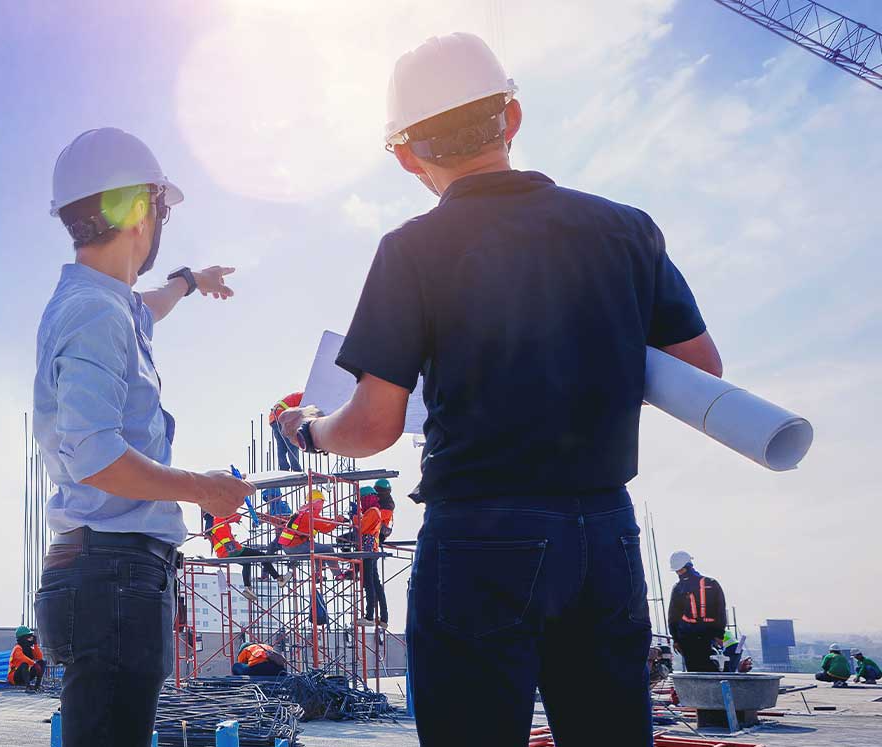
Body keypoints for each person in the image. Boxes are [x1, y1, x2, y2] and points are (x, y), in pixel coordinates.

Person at [274, 31, 722, 746]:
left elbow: (375, 424)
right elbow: (702, 371)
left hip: (481, 537)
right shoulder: (626, 230)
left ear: (404, 153)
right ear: (512, 118)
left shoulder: (414, 249)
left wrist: (310, 427)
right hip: (604, 532)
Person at [30, 127, 254, 747]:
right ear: (138, 212)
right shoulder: (99, 312)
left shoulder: (103, 302)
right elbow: (97, 456)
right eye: (158, 211)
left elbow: (146, 306)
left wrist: (188, 278)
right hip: (114, 578)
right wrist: (202, 491)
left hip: (106, 574)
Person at [667, 551, 728, 673]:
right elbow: (720, 611)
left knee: (696, 672)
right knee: (712, 670)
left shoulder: (678, 588)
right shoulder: (711, 583)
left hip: (689, 637)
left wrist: (676, 639)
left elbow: (673, 617)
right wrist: (719, 634)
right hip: (707, 636)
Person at [206, 514, 283, 595]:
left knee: (246, 563)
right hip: (232, 549)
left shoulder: (211, 526)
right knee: (262, 556)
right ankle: (279, 578)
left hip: (222, 553)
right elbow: (237, 516)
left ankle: (247, 587)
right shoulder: (219, 517)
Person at [356, 490, 387, 625]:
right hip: (371, 550)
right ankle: (384, 618)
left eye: (362, 499)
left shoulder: (373, 511)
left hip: (368, 551)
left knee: (369, 583)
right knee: (376, 584)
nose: (361, 502)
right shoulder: (373, 511)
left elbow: (361, 528)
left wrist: (354, 517)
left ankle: (369, 616)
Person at [267, 392, 304, 471]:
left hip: (273, 418)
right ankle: (296, 468)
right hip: (281, 417)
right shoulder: (305, 398)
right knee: (292, 443)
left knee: (281, 446)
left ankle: (283, 468)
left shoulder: (298, 396)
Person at [9, 626, 45, 692]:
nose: (31, 639)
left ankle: (37, 686)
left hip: (26, 675)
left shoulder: (29, 649)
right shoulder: (17, 648)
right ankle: (28, 687)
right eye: (29, 637)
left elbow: (39, 657)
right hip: (15, 677)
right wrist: (34, 663)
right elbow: (22, 658)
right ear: (23, 638)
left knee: (42, 662)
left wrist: (35, 644)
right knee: (24, 664)